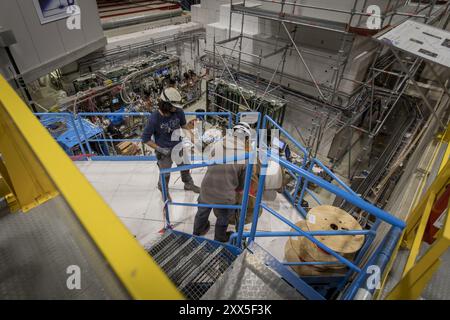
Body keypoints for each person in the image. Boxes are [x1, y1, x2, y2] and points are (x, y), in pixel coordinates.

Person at [193, 122, 252, 242]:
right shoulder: (246, 157)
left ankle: (198, 231)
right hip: (225, 197)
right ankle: (219, 237)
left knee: (202, 212)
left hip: (206, 189)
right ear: (246, 139)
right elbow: (241, 186)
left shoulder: (217, 144)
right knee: (224, 216)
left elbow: (209, 162)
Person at [142, 99, 200, 200]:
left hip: (178, 145)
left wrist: (194, 139)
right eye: (173, 108)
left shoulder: (179, 111)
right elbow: (145, 139)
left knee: (185, 166)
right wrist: (160, 149)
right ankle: (163, 188)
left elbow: (184, 126)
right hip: (164, 150)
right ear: (166, 108)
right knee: (166, 173)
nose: (176, 109)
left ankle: (188, 184)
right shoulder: (154, 119)